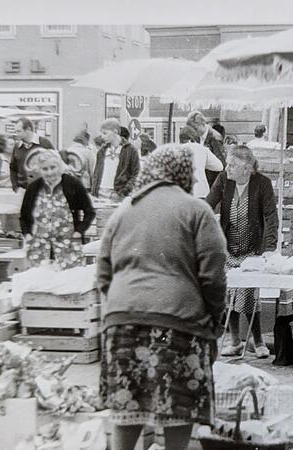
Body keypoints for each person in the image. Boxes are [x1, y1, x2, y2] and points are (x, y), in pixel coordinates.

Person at [96, 145, 227, 450]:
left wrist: (124, 303)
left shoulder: (124, 209)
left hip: (122, 322)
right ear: (185, 174)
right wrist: (213, 318)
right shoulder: (197, 210)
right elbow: (213, 274)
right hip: (179, 324)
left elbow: (103, 271)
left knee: (128, 405)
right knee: (178, 407)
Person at [206, 145, 277, 358]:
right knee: (229, 293)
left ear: (247, 168)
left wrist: (271, 248)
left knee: (247, 294)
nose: (227, 168)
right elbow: (208, 205)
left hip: (252, 249)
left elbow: (271, 216)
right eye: (228, 164)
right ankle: (235, 340)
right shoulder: (223, 181)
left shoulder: (262, 184)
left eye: (232, 165)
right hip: (228, 247)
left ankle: (258, 341)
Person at [19, 150, 94, 269]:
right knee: (40, 282)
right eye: (45, 169)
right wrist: (27, 234)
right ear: (39, 170)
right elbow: (24, 216)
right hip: (39, 247)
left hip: (68, 244)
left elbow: (89, 211)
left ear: (59, 166)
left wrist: (79, 231)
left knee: (68, 281)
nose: (49, 172)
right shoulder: (34, 188)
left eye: (53, 167)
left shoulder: (72, 184)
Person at [92, 118, 141, 200]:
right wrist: (93, 192)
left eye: (105, 133)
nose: (102, 137)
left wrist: (123, 192)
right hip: (99, 194)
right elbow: (96, 174)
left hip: (118, 195)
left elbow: (136, 175)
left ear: (115, 132)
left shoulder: (130, 150)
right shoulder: (101, 151)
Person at [10, 117, 55, 191]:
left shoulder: (45, 144)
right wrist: (15, 186)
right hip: (22, 189)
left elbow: (55, 165)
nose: (16, 134)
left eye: (19, 131)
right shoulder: (17, 147)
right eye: (15, 131)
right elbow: (13, 168)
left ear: (28, 129)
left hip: (42, 189)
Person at [180, 125, 224, 198]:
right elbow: (219, 167)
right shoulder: (203, 149)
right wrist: (202, 163)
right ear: (194, 138)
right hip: (202, 192)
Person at [187, 111, 225, 186]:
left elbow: (221, 163)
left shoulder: (215, 138)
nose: (193, 131)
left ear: (202, 123)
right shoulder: (197, 137)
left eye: (195, 128)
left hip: (211, 182)